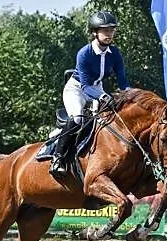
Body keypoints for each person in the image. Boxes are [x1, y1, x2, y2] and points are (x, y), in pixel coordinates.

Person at [50, 10, 131, 178]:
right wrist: (102, 97)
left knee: (109, 119)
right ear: (95, 32)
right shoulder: (84, 54)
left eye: (112, 30)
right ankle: (58, 158)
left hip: (97, 88)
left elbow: (122, 80)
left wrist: (131, 95)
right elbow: (86, 86)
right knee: (78, 119)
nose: (109, 34)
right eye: (105, 30)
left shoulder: (115, 53)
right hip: (77, 89)